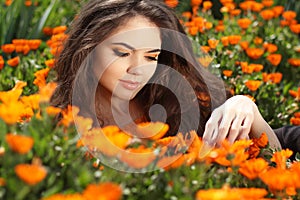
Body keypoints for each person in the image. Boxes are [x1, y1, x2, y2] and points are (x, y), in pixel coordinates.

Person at [50, 0, 285, 152]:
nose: (138, 69)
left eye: (151, 57)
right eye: (122, 53)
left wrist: (247, 109)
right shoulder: (56, 121)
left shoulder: (177, 104)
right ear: (88, 49)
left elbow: (277, 164)